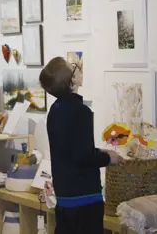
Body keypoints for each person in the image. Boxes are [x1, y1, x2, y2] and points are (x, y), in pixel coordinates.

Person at [39, 57, 122, 234]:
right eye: (74, 67)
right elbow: (83, 157)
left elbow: (71, 149)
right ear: (72, 81)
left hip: (65, 195)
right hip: (84, 196)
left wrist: (99, 151)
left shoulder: (56, 110)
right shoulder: (80, 111)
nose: (79, 69)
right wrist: (109, 158)